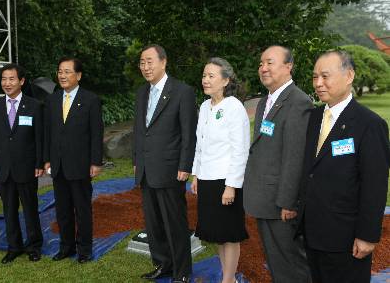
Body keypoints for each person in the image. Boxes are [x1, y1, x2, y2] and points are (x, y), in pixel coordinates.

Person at [298, 50, 389, 283]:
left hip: (346, 238)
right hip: (313, 231)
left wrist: (367, 236)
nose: (318, 83)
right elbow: (310, 169)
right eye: (314, 77)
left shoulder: (370, 125)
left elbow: (375, 185)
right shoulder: (313, 117)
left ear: (349, 76)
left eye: (325, 76)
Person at [242, 45, 312, 282]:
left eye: (270, 62)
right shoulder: (265, 102)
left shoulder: (298, 101)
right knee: (276, 262)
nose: (263, 68)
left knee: (292, 264)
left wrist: (288, 202)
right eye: (261, 64)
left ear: (288, 66)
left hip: (281, 203)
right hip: (264, 197)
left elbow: (295, 156)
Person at [133, 44, 197, 283]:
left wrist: (185, 165)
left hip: (171, 169)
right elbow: (140, 131)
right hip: (147, 169)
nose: (146, 67)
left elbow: (188, 133)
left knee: (175, 223)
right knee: (153, 223)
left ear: (163, 62)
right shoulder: (142, 93)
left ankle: (182, 272)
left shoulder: (182, 91)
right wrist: (137, 161)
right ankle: (162, 264)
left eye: (150, 61)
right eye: (142, 62)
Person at [191, 58, 250, 283]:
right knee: (217, 233)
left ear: (225, 80)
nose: (205, 80)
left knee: (229, 233)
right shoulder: (205, 107)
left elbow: (240, 150)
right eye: (204, 75)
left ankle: (228, 279)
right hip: (207, 179)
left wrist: (231, 186)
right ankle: (228, 277)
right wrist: (197, 174)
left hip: (226, 181)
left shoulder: (234, 107)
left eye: (211, 76)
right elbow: (200, 144)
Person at [44, 57, 103, 264]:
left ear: (78, 75)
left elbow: (97, 133)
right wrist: (47, 160)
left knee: (82, 210)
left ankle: (85, 249)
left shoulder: (90, 100)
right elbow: (48, 132)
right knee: (63, 211)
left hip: (80, 165)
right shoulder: (52, 100)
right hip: (58, 166)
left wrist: (96, 162)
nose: (62, 75)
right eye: (60, 71)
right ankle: (66, 247)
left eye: (67, 71)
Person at [0, 64, 44, 264]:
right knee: (8, 210)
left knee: (30, 209)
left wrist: (39, 163)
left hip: (27, 167)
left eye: (11, 79)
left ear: (21, 81)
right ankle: (14, 246)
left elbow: (39, 138)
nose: (7, 83)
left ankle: (34, 246)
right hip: (3, 168)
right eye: (4, 79)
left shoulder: (35, 105)